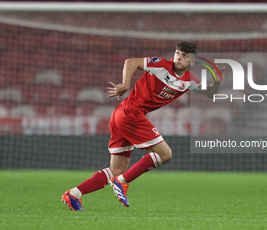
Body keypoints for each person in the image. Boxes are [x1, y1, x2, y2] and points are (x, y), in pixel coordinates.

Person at [61, 41, 225, 210]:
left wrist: (217, 82)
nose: (179, 57)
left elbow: (211, 92)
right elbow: (131, 62)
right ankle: (122, 182)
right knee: (165, 154)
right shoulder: (161, 65)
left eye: (185, 55)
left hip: (122, 115)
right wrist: (125, 84)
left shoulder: (190, 80)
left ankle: (74, 194)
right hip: (131, 114)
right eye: (177, 53)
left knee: (117, 168)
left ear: (192, 62)